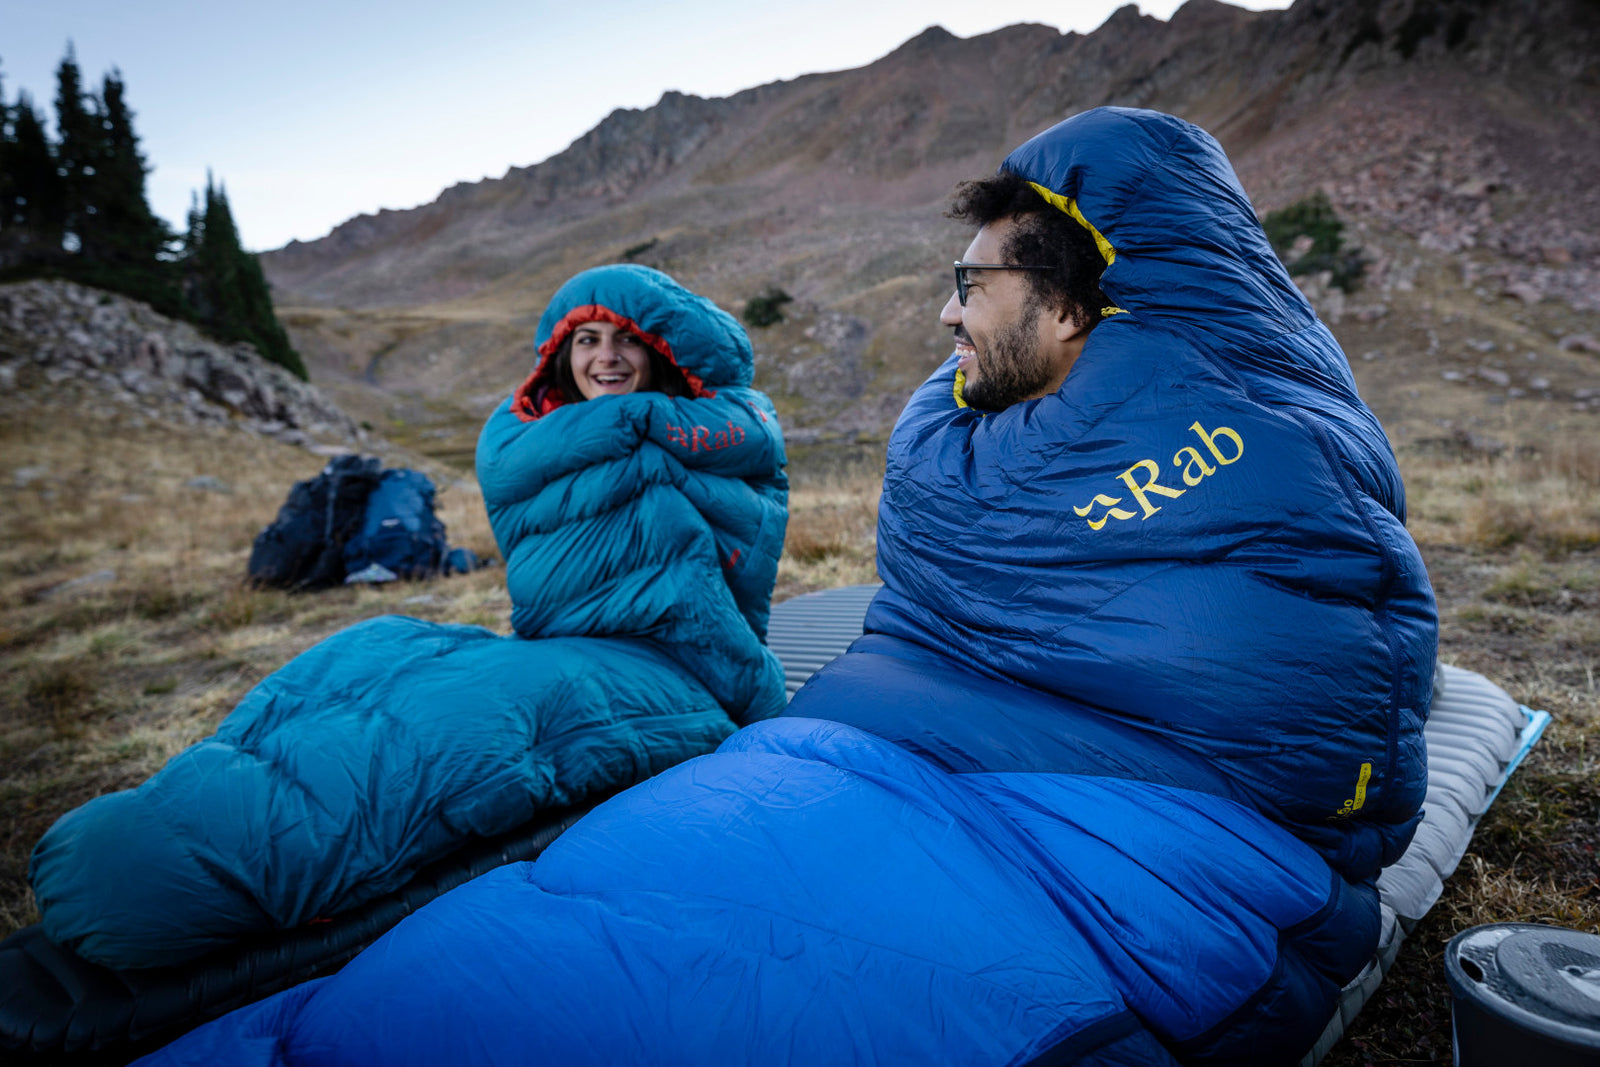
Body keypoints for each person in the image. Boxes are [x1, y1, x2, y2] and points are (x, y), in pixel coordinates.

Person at [135, 109, 1434, 1067]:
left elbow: (1324, 736)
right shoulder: (966, 439)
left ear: (1076, 302)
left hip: (1107, 838)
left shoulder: (1267, 443)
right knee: (459, 979)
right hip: (844, 748)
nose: (947, 316)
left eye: (975, 285)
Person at [29, 263, 788, 974]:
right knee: (374, 648)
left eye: (628, 339)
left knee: (453, 729)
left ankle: (191, 873)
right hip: (561, 643)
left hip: (686, 669)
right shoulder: (537, 440)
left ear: (663, 353)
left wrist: (651, 431)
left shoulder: (705, 440)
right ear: (561, 356)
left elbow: (730, 521)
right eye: (586, 338)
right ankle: (170, 817)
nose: (606, 357)